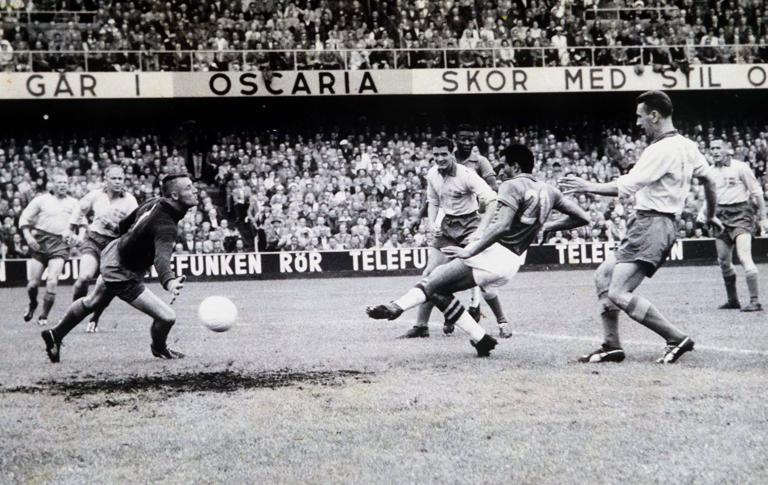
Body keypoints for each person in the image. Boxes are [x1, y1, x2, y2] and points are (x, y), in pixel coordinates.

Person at [368, 144, 589, 357]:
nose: (500, 171)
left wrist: (470, 251)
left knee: (432, 280)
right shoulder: (550, 191)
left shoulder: (511, 185)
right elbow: (582, 218)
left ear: (516, 166)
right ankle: (481, 338)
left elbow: (501, 226)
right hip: (512, 263)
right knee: (439, 291)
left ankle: (396, 307)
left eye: (504, 166)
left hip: (494, 253)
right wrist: (547, 226)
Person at [560, 90, 722, 364]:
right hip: (651, 222)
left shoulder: (660, 149)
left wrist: (586, 186)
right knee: (603, 276)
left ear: (655, 115)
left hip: (652, 223)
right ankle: (611, 345)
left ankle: (676, 337)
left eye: (640, 116)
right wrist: (710, 214)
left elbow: (626, 186)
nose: (638, 123)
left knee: (618, 291)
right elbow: (709, 180)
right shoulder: (686, 145)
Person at [41, 174, 198, 363]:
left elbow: (125, 223)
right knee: (167, 317)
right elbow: (161, 257)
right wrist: (169, 281)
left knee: (92, 301)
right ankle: (159, 348)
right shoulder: (166, 224)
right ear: (174, 195)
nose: (195, 190)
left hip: (114, 253)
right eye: (189, 187)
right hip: (122, 271)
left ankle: (54, 335)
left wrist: (128, 244)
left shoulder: (155, 202)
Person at [398, 136, 502, 339]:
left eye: (444, 154)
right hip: (447, 226)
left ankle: (491, 315)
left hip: (470, 225)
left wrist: (481, 230)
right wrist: (433, 224)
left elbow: (492, 199)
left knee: (478, 277)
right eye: (436, 154)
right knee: (429, 273)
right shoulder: (432, 174)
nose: (440, 158)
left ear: (452, 153)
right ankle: (421, 326)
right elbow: (433, 201)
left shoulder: (467, 174)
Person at [70, 165, 138, 332]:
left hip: (114, 245)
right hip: (93, 239)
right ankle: (73, 313)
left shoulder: (130, 201)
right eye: (113, 178)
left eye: (120, 178)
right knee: (84, 277)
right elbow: (80, 210)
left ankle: (94, 319)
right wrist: (71, 230)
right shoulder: (95, 195)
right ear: (106, 180)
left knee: (106, 286)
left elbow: (133, 230)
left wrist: (115, 227)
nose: (117, 182)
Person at [704, 138, 766, 311]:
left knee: (744, 256)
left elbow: (757, 192)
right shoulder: (709, 172)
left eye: (718, 148)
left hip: (741, 214)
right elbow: (710, 197)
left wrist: (763, 217)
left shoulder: (740, 167)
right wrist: (705, 215)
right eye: (712, 148)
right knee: (723, 261)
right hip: (720, 216)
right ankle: (733, 300)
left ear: (727, 149)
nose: (715, 151)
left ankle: (755, 301)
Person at [19, 170, 79, 326]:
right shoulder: (41, 200)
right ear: (52, 184)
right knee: (32, 284)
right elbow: (25, 218)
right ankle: (33, 303)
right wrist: (28, 236)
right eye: (59, 182)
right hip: (41, 241)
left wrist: (78, 236)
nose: (63, 185)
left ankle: (43, 316)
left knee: (52, 280)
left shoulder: (73, 203)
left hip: (60, 244)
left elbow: (83, 222)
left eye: (65, 182)